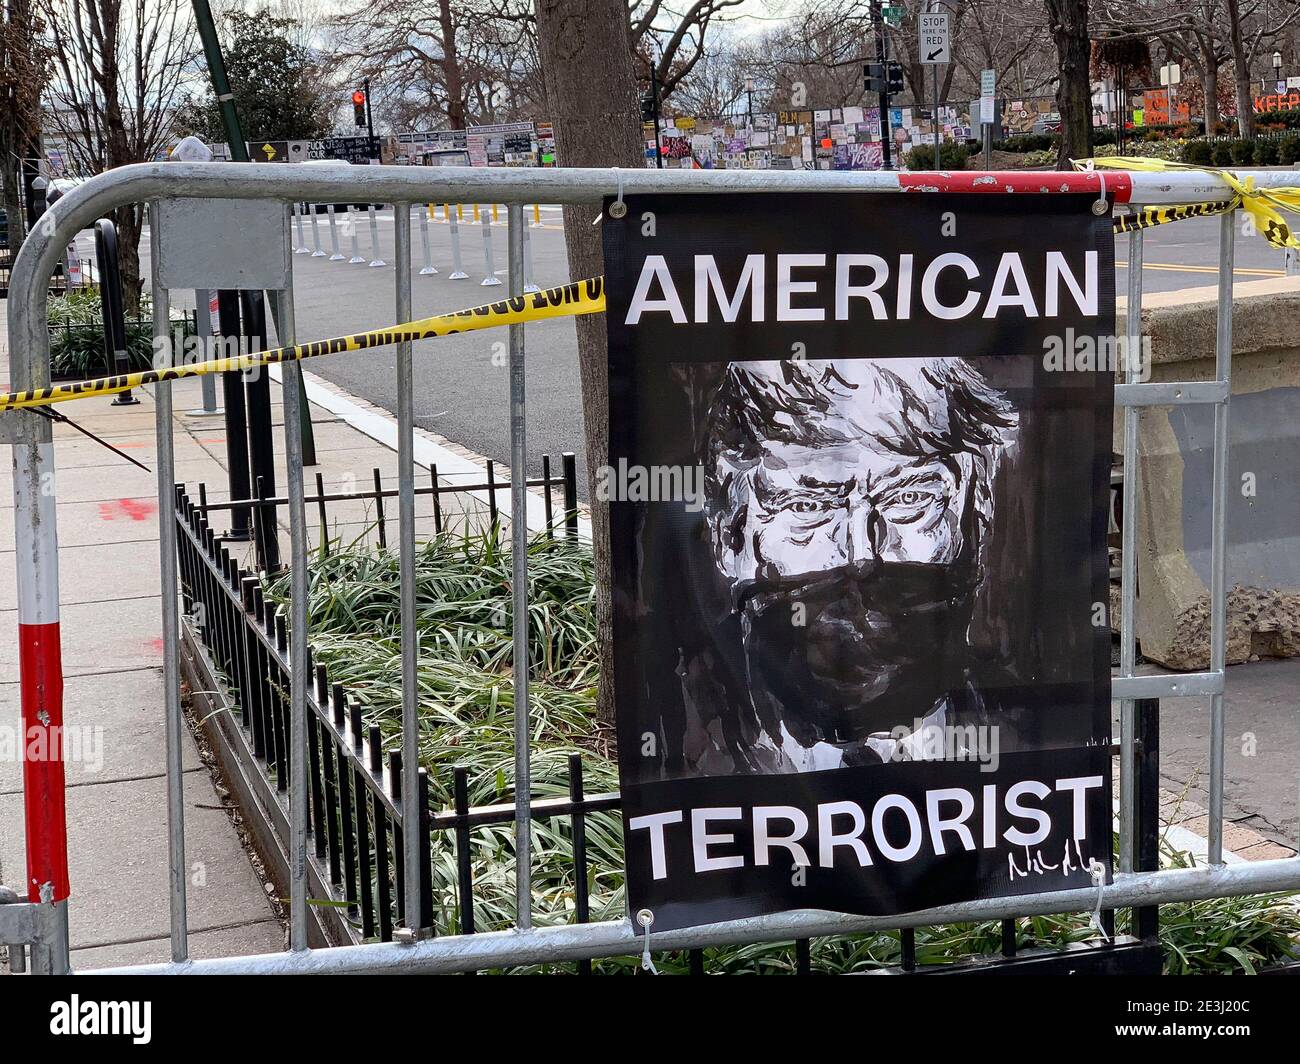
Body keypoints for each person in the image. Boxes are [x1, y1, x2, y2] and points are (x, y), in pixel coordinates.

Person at [672, 356, 1021, 774]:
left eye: (909, 499)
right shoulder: (683, 741)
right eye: (808, 506)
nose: (860, 556)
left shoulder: (1035, 735)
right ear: (730, 533)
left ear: (977, 511)